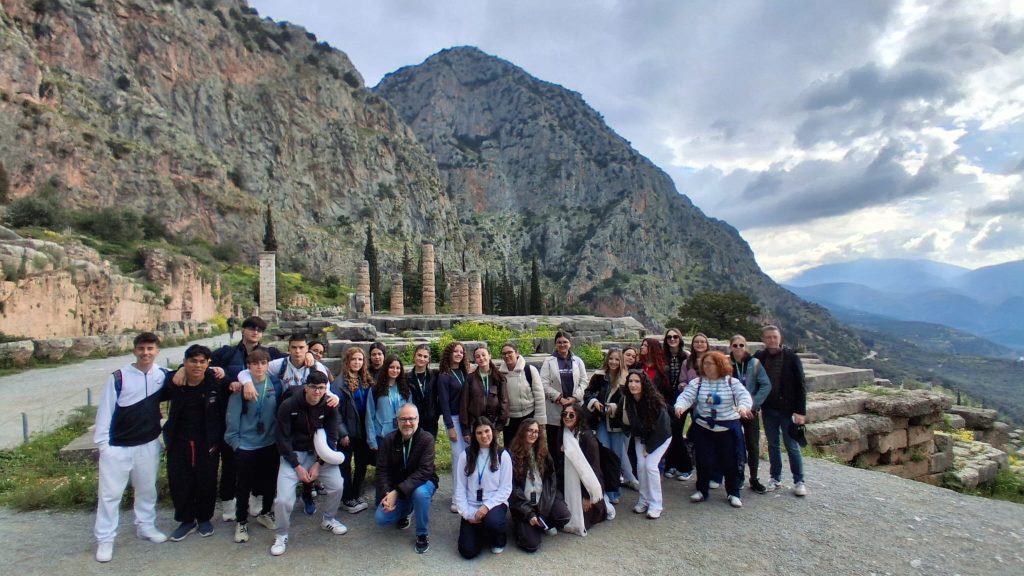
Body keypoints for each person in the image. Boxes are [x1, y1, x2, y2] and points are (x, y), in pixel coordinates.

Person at [93, 332, 170, 563]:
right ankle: (105, 539)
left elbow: (192, 372)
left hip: (147, 443)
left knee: (146, 489)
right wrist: (104, 445)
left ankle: (145, 525)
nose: (146, 353)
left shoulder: (162, 374)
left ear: (157, 351)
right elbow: (105, 411)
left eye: (150, 348)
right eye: (142, 348)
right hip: (118, 446)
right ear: (134, 350)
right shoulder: (119, 377)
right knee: (110, 495)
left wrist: (218, 370)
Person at [241, 333, 337, 515]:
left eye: (301, 347)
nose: (297, 351)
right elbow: (250, 371)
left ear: (307, 349)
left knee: (310, 456)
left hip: (310, 417)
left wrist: (335, 398)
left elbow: (328, 391)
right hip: (286, 415)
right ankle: (283, 494)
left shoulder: (316, 366)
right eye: (294, 347)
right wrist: (246, 382)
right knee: (286, 456)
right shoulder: (279, 365)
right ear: (288, 348)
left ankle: (307, 494)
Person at [208, 316, 287, 521]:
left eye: (259, 330)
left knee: (259, 466)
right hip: (232, 413)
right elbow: (203, 363)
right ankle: (228, 503)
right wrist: (233, 381)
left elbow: (292, 359)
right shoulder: (226, 353)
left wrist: (310, 356)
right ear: (243, 330)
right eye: (251, 328)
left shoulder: (271, 353)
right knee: (230, 463)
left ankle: (256, 501)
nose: (255, 332)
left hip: (261, 420)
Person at [271, 372, 348, 556]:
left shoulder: (329, 406)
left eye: (321, 388)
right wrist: (297, 466)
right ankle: (281, 535)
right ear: (306, 387)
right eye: (313, 387)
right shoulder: (288, 405)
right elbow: (282, 440)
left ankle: (328, 520)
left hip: (319, 454)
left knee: (337, 485)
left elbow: (332, 437)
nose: (317, 392)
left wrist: (319, 464)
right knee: (283, 500)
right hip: (293, 456)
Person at [674, 351, 753, 508]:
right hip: (704, 428)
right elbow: (686, 396)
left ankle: (733, 493)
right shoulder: (698, 383)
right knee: (703, 460)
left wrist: (743, 407)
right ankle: (702, 490)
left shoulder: (731, 382)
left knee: (730, 461)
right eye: (704, 363)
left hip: (727, 429)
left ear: (719, 365)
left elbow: (744, 396)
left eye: (710, 363)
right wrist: (680, 406)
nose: (706, 366)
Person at [163, 345, 222, 542]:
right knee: (180, 480)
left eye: (202, 362)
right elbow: (156, 386)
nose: (198, 365)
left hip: (207, 440)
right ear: (185, 362)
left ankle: (204, 518)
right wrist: (179, 370)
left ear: (208, 363)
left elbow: (235, 380)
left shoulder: (214, 381)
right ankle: (186, 520)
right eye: (193, 361)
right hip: (179, 440)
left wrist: (242, 383)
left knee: (206, 480)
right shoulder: (174, 381)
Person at [224, 349, 283, 543]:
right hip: (246, 445)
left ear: (268, 365)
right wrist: (236, 444)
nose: (259, 367)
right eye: (255, 363)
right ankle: (241, 521)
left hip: (269, 442)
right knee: (243, 486)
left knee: (269, 482)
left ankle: (265, 513)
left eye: (263, 363)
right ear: (248, 366)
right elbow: (232, 418)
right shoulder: (240, 389)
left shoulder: (275, 384)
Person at [374, 404, 439, 554]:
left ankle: (422, 534)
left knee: (420, 494)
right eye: (403, 419)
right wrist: (387, 493)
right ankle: (409, 508)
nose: (407, 423)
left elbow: (424, 471)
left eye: (411, 419)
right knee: (381, 519)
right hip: (399, 487)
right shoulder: (388, 440)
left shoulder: (426, 439)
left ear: (418, 420)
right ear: (397, 421)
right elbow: (382, 470)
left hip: (424, 483)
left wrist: (396, 492)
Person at [753, 325, 809, 497]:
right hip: (768, 408)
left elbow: (801, 385)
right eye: (768, 337)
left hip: (788, 410)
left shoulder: (791, 357)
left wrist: (800, 412)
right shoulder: (760, 356)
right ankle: (775, 478)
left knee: (791, 445)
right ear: (763, 339)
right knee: (773, 445)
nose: (772, 340)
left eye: (775, 337)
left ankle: (799, 481)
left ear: (780, 338)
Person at [584, 348, 638, 504]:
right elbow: (588, 393)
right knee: (605, 454)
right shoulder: (599, 376)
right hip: (602, 421)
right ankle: (606, 490)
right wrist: (594, 402)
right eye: (611, 359)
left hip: (617, 424)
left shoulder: (627, 379)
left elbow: (629, 401)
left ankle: (614, 491)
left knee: (616, 457)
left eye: (616, 359)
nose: (613, 362)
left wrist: (615, 408)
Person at [508, 418, 570, 552]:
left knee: (564, 515)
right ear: (522, 432)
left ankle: (541, 520)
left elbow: (551, 478)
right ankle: (526, 524)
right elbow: (513, 490)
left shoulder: (543, 451)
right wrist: (529, 513)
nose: (533, 434)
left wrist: (544, 507)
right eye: (529, 430)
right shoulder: (512, 455)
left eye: (536, 431)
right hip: (523, 503)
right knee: (531, 545)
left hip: (542, 498)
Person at [454, 417, 513, 559]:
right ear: (474, 435)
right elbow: (460, 488)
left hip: (494, 504)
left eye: (487, 431)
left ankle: (498, 538)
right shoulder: (465, 455)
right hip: (472, 505)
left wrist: (486, 507)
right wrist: (467, 514)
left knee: (493, 522)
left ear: (493, 432)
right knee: (467, 552)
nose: (484, 436)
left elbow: (506, 488)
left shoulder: (502, 455)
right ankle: (479, 532)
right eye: (479, 433)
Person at [622, 369, 672, 519]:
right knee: (641, 467)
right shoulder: (627, 400)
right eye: (630, 381)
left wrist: (649, 448)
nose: (633, 385)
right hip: (641, 438)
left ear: (644, 383)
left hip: (660, 438)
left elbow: (663, 428)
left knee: (650, 466)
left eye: (637, 381)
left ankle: (656, 504)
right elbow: (621, 418)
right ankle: (643, 500)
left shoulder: (655, 402)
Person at [729, 334, 772, 494]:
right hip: (732, 411)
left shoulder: (754, 363)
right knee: (734, 444)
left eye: (741, 345)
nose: (738, 348)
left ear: (746, 347)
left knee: (752, 445)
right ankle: (737, 476)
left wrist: (752, 404)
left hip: (750, 411)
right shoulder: (726, 363)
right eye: (735, 345)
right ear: (731, 347)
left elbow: (766, 385)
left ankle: (754, 478)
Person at [556, 402, 607, 534]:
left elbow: (594, 469)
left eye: (571, 415)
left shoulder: (588, 437)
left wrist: (587, 496)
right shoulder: (562, 433)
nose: (567, 417)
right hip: (566, 482)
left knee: (585, 518)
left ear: (578, 417)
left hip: (587, 484)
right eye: (564, 414)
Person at [334, 347, 372, 514]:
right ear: (347, 361)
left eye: (360, 359)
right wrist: (342, 433)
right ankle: (347, 498)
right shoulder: (339, 383)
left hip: (363, 429)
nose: (357, 362)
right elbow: (335, 411)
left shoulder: (365, 379)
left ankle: (357, 493)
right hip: (348, 432)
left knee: (362, 463)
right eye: (354, 359)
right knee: (346, 465)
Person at [540, 330, 586, 458]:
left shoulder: (578, 361)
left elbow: (584, 381)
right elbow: (543, 383)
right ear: (555, 344)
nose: (562, 345)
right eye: (559, 342)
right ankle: (557, 468)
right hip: (555, 407)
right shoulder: (548, 361)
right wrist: (559, 398)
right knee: (555, 444)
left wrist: (575, 398)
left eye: (565, 342)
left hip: (574, 406)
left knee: (575, 442)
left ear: (570, 343)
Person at [437, 341, 471, 513]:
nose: (458, 354)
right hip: (455, 420)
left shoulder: (466, 372)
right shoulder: (444, 376)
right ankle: (457, 498)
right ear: (449, 354)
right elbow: (444, 403)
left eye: (461, 352)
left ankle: (469, 493)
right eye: (455, 351)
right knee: (458, 458)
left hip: (469, 419)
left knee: (470, 456)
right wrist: (449, 426)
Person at [498, 341, 546, 447]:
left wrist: (539, 420)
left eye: (510, 352)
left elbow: (539, 395)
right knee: (511, 448)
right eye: (504, 354)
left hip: (528, 416)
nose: (507, 356)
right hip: (510, 420)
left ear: (517, 353)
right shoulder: (499, 374)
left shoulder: (529, 370)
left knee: (529, 448)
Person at [663, 328, 694, 482]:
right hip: (666, 398)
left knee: (676, 431)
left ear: (680, 339)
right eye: (669, 337)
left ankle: (685, 466)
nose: (672, 339)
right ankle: (671, 464)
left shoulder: (686, 356)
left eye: (675, 337)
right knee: (669, 431)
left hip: (682, 398)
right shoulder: (663, 356)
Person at [461, 347, 509, 444]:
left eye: (484, 355)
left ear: (489, 356)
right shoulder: (470, 378)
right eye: (477, 356)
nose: (481, 358)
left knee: (493, 450)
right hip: (475, 422)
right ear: (475, 360)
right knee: (476, 450)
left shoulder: (499, 377)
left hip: (493, 422)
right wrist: (465, 429)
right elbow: (464, 403)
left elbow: (504, 401)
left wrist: (499, 425)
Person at [366, 356, 412, 456]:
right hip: (381, 436)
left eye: (398, 368)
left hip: (401, 434)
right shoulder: (375, 389)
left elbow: (410, 414)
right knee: (382, 465)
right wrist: (371, 440)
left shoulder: (405, 389)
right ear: (386, 368)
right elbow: (369, 415)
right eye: (391, 367)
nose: (395, 370)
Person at [408, 344, 439, 438]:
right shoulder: (406, 378)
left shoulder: (435, 375)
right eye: (419, 355)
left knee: (429, 446)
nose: (422, 359)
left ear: (429, 359)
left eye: (425, 356)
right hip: (413, 421)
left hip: (431, 421)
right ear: (414, 356)